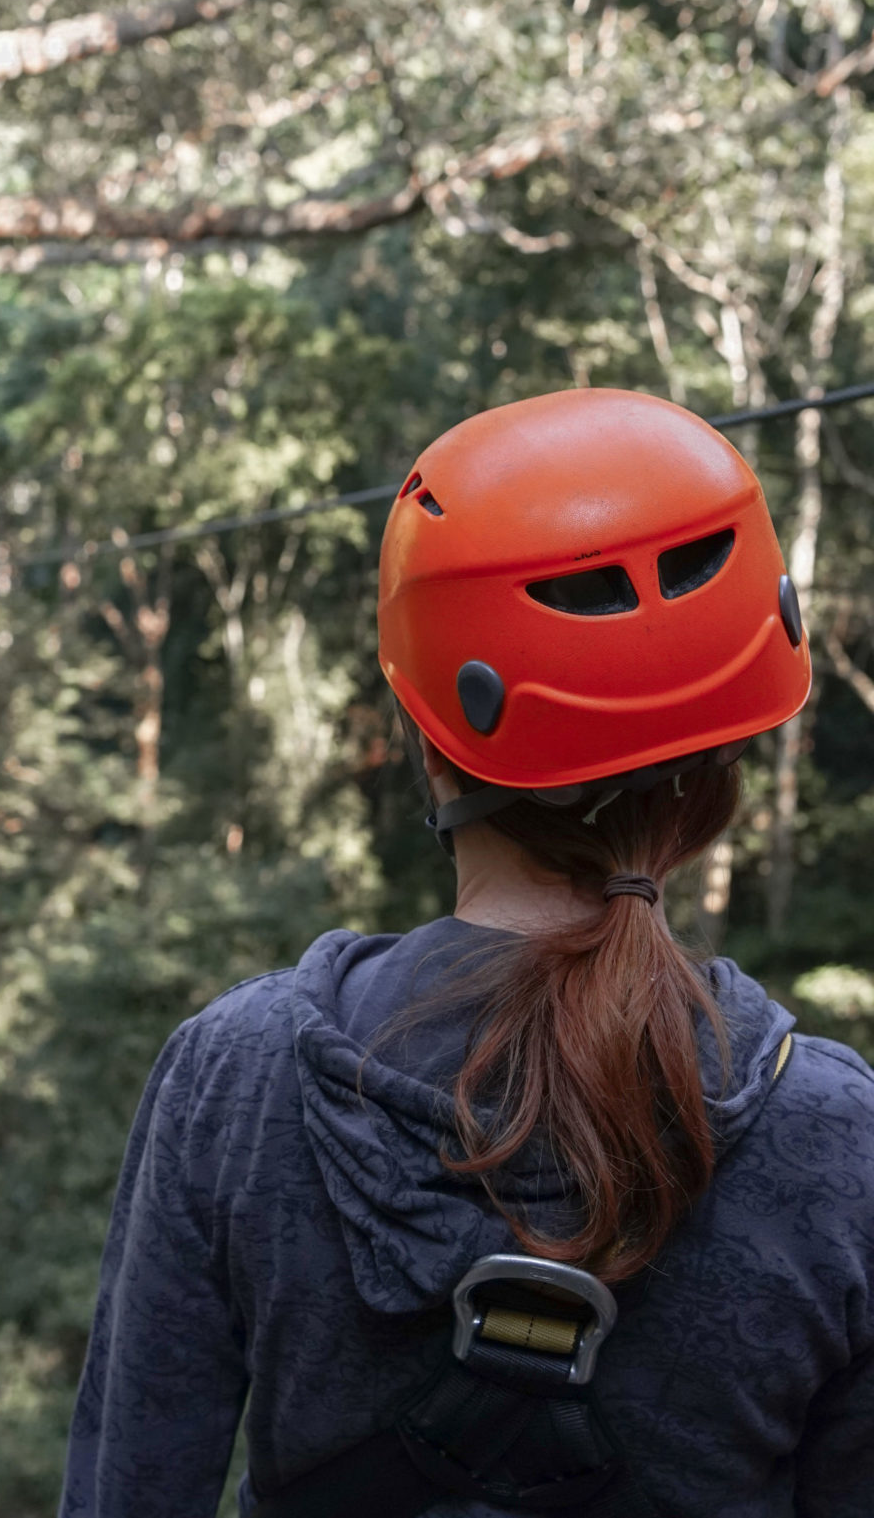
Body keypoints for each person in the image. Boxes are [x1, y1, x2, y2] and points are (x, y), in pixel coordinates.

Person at [59, 388, 874, 1518]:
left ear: (432, 746)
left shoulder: (237, 1080)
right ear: (728, 770)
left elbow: (129, 1492)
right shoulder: (835, 1140)